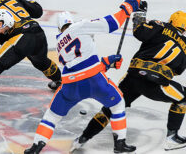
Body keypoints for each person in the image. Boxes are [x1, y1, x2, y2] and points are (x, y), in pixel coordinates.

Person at [24, 0, 141, 154]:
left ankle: (35, 147)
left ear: (59, 28)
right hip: (94, 81)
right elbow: (112, 23)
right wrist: (128, 7)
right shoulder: (80, 26)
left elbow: (79, 64)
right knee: (118, 103)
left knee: (51, 116)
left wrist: (107, 62)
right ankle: (119, 144)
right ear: (71, 22)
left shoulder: (59, 42)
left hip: (70, 85)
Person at [71, 9, 186, 152]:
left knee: (111, 108)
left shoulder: (161, 25)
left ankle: (82, 139)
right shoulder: (185, 45)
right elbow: (178, 70)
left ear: (172, 21)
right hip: (155, 82)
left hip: (133, 76)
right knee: (183, 98)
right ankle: (172, 138)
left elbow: (139, 31)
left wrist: (140, 13)